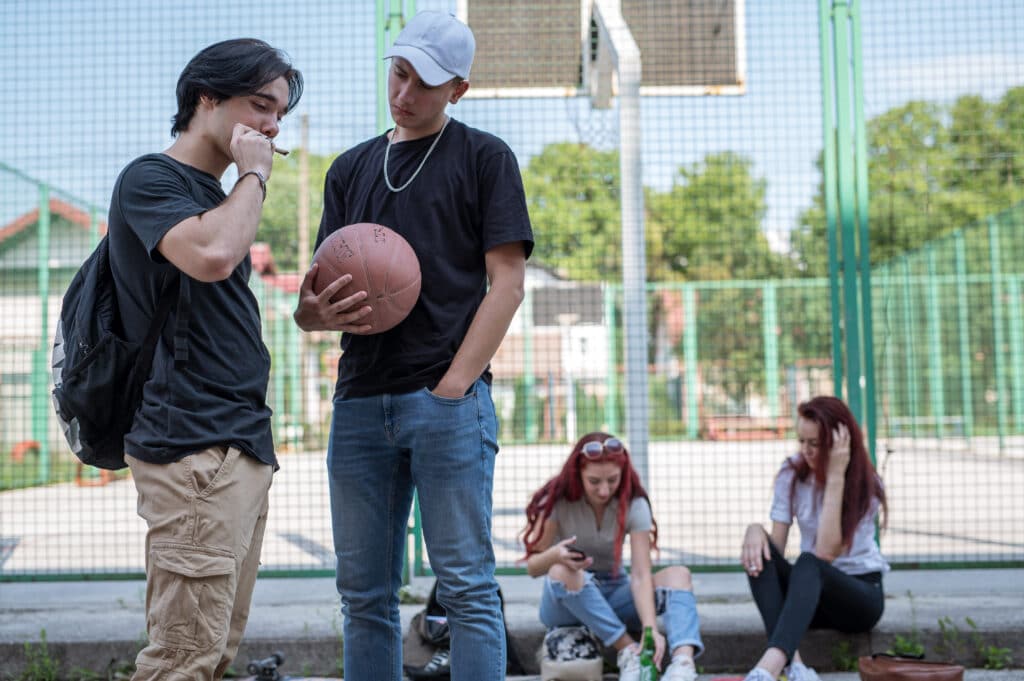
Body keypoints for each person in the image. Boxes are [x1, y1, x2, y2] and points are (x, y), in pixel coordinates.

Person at [291, 10, 533, 681]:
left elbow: (507, 284)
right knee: (363, 596)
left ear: (457, 88)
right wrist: (307, 315)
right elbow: (318, 301)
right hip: (361, 400)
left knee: (466, 589)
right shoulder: (350, 169)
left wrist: (455, 385)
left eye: (423, 82)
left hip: (446, 404)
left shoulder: (485, 158)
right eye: (398, 73)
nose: (404, 92)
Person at [106, 39, 302, 680]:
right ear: (206, 98)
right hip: (191, 445)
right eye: (260, 105)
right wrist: (254, 174)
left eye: (280, 113)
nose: (272, 125)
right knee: (181, 659)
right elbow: (211, 256)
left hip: (236, 443)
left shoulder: (216, 195)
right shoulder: (151, 179)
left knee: (212, 654)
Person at [521, 432, 704, 681]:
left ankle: (683, 664)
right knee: (561, 571)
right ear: (578, 475)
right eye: (594, 481)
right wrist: (555, 554)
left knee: (679, 575)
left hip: (613, 591)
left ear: (623, 474)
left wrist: (650, 628)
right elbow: (532, 567)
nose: (604, 490)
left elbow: (640, 574)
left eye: (612, 480)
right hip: (565, 602)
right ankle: (628, 651)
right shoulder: (558, 500)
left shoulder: (634, 503)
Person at [739, 396, 889, 681]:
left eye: (815, 444)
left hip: (859, 597)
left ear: (838, 443)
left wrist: (835, 477)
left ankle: (766, 670)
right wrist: (755, 530)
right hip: (812, 598)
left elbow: (825, 553)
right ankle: (796, 667)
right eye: (801, 441)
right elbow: (777, 550)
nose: (806, 451)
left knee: (809, 561)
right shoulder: (792, 474)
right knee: (758, 553)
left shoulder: (865, 484)